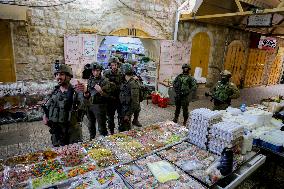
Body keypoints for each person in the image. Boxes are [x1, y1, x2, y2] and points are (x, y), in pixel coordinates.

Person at [43, 62, 83, 147]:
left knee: (75, 154)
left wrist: (86, 93)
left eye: (61, 74)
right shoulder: (54, 91)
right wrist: (45, 116)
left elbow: (85, 103)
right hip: (57, 130)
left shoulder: (75, 91)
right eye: (57, 74)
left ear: (68, 76)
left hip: (72, 131)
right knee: (58, 154)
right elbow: (47, 106)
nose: (58, 77)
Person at [85, 62, 111, 139]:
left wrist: (101, 91)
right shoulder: (90, 79)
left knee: (102, 126)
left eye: (97, 70)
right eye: (93, 71)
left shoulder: (105, 81)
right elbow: (88, 92)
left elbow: (108, 96)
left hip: (100, 106)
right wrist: (85, 94)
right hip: (90, 105)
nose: (95, 73)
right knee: (91, 124)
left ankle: (105, 140)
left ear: (100, 71)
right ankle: (92, 138)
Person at [103, 57, 124, 134]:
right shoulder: (106, 73)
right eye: (112, 65)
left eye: (115, 65)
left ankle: (121, 131)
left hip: (119, 98)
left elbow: (125, 84)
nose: (114, 67)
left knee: (121, 116)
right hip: (110, 99)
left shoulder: (122, 73)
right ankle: (111, 131)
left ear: (118, 65)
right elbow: (105, 84)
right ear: (110, 65)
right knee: (110, 117)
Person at [119, 63, 140, 132]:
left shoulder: (132, 84)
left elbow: (135, 102)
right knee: (122, 127)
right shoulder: (127, 81)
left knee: (126, 129)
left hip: (127, 110)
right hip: (124, 108)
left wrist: (128, 114)